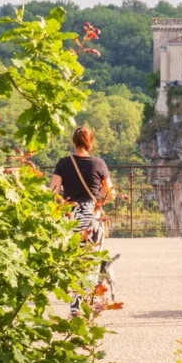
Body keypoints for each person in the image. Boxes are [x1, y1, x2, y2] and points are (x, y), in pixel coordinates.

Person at [51, 125, 115, 317]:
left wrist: (63, 204)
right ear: (91, 142)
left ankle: (75, 306)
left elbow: (53, 191)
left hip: (72, 217)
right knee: (92, 260)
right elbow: (110, 193)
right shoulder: (99, 163)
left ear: (73, 142)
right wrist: (98, 201)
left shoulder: (63, 163)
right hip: (93, 216)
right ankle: (87, 301)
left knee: (74, 261)